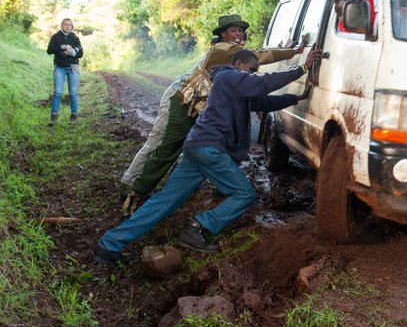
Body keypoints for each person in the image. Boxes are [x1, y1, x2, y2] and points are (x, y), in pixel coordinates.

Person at [94, 48, 321, 265]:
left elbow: (264, 101)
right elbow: (261, 83)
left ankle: (110, 244)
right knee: (244, 193)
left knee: (164, 201)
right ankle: (199, 227)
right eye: (251, 69)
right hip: (210, 148)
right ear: (238, 64)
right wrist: (301, 68)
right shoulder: (227, 77)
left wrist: (298, 96)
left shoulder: (236, 87)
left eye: (255, 71)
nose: (253, 74)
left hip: (197, 149)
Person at [120, 14, 307, 215]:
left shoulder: (232, 58)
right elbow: (258, 56)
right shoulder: (222, 49)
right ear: (223, 34)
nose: (238, 34)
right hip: (185, 103)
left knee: (199, 148)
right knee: (168, 148)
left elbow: (256, 76)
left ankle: (177, 191)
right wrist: (293, 53)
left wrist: (292, 91)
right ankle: (136, 192)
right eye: (233, 30)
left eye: (240, 31)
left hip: (201, 108)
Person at [46, 18, 84, 125]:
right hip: (60, 67)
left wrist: (72, 52)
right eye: (66, 24)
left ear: (72, 27)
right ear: (62, 25)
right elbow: (49, 50)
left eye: (70, 25)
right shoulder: (56, 37)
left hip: (73, 67)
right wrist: (62, 47)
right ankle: (54, 117)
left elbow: (80, 54)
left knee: (73, 93)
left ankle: (74, 116)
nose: (68, 26)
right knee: (57, 92)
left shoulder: (75, 38)